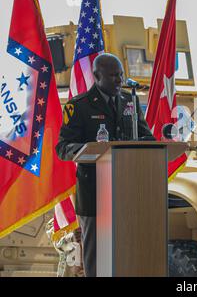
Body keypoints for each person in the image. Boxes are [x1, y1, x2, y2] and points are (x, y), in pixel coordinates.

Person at [56, 53, 154, 277]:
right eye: (113, 76)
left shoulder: (130, 101)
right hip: (95, 195)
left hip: (128, 192)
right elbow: (62, 148)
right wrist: (88, 151)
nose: (119, 80)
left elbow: (147, 138)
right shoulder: (79, 106)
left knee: (127, 259)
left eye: (121, 74)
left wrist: (159, 145)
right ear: (97, 76)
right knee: (97, 262)